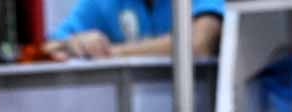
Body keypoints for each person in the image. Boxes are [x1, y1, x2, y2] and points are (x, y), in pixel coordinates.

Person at [44, 0, 224, 60]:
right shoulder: (103, 3)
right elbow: (46, 48)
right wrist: (74, 43)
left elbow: (198, 44)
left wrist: (111, 53)